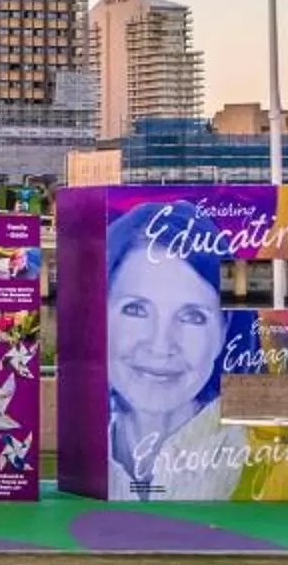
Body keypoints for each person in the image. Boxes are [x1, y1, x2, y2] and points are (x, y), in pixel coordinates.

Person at [103, 201, 242, 500]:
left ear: (222, 330)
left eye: (192, 316)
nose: (160, 345)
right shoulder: (81, 456)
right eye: (136, 309)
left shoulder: (284, 468)